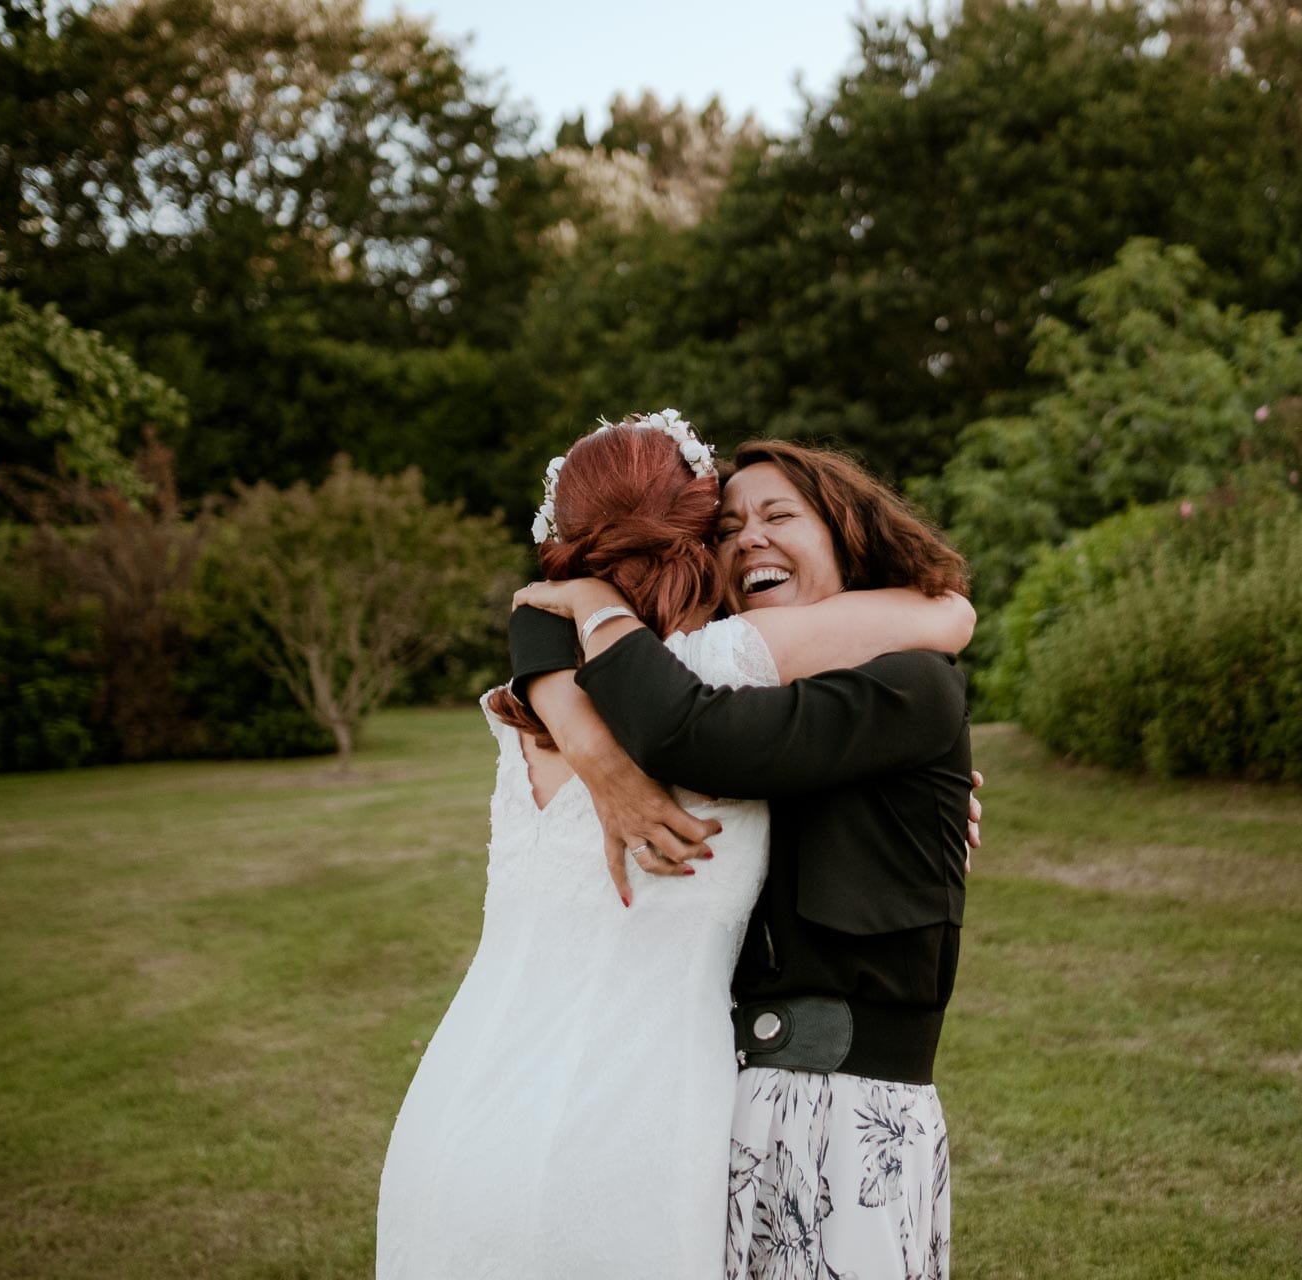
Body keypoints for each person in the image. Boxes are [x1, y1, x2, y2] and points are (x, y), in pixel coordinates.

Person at [375, 414, 974, 1280]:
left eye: (780, 517)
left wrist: (576, 611)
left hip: (456, 1109)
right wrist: (599, 744)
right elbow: (942, 615)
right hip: (642, 1123)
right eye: (725, 527)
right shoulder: (721, 666)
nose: (749, 539)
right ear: (692, 543)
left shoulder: (533, 702)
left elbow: (688, 709)